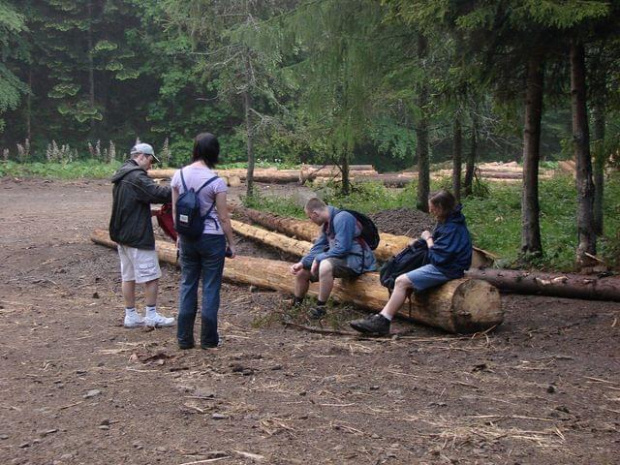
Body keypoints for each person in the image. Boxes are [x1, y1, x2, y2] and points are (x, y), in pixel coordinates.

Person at [349, 190, 472, 336]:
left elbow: (439, 257)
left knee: (402, 281)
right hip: (443, 264)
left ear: (440, 207)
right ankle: (383, 316)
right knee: (398, 272)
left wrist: (427, 239)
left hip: (447, 268)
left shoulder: (453, 228)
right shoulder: (447, 220)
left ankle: (383, 321)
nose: (430, 211)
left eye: (432, 208)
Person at [171, 133, 236, 350]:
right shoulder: (216, 181)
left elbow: (174, 212)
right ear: (214, 152)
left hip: (188, 237)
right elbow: (224, 217)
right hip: (212, 238)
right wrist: (231, 243)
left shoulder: (177, 176)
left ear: (195, 149)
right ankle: (209, 340)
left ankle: (184, 339)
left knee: (188, 284)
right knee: (210, 286)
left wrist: (179, 238)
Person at [109, 142, 175, 328]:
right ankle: (151, 315)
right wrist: (177, 186)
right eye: (151, 161)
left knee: (128, 276)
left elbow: (133, 201)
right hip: (137, 235)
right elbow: (157, 193)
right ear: (142, 156)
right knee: (151, 276)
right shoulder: (136, 176)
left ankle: (130, 315)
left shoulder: (122, 173)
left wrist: (150, 212)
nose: (151, 165)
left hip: (122, 234)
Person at [290, 198, 377, 319]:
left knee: (325, 265)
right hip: (341, 259)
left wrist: (319, 258)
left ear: (315, 214)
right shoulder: (327, 224)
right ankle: (296, 305)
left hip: (358, 260)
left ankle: (320, 308)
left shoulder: (343, 218)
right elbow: (318, 247)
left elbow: (343, 248)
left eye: (309, 217)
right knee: (302, 272)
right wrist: (303, 263)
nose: (310, 221)